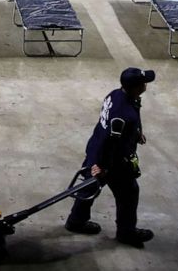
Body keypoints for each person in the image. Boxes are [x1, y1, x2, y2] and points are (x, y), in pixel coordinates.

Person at [65, 67, 156, 248]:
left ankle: (76, 220)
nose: (146, 84)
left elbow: (133, 114)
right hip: (112, 160)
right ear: (136, 87)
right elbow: (110, 142)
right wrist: (102, 166)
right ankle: (126, 232)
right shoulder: (123, 114)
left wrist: (137, 133)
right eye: (143, 82)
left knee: (89, 187)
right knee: (129, 193)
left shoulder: (116, 95)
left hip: (95, 148)